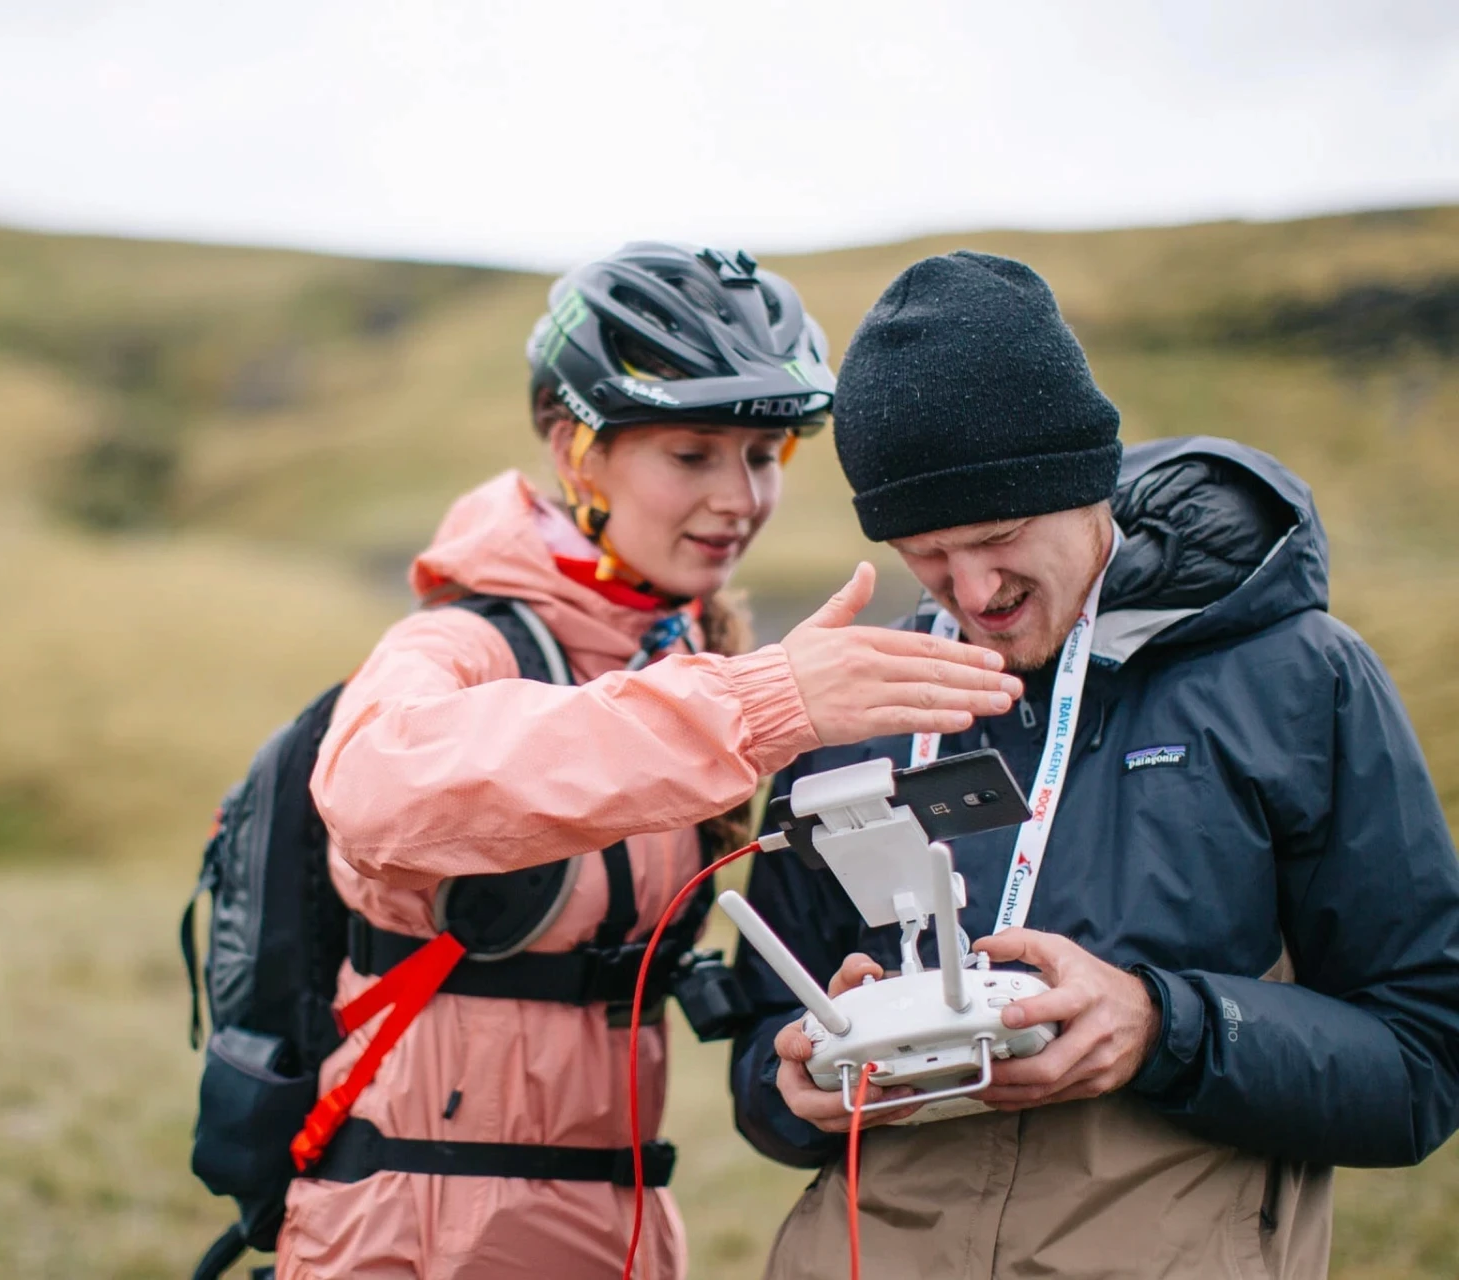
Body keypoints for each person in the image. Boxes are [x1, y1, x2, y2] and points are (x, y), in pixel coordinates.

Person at [273, 243, 1022, 1279]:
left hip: (615, 1226)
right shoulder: (464, 640)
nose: (738, 498)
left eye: (764, 457)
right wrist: (761, 701)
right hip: (416, 1234)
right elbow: (373, 787)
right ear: (575, 449)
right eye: (691, 454)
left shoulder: (685, 647)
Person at [728, 249, 1459, 1280]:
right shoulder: (861, 704)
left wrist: (1164, 1024)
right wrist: (795, 1078)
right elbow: (762, 1060)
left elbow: (1423, 1057)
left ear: (1086, 485)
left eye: (1001, 534)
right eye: (926, 554)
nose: (973, 590)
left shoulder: (1299, 677)